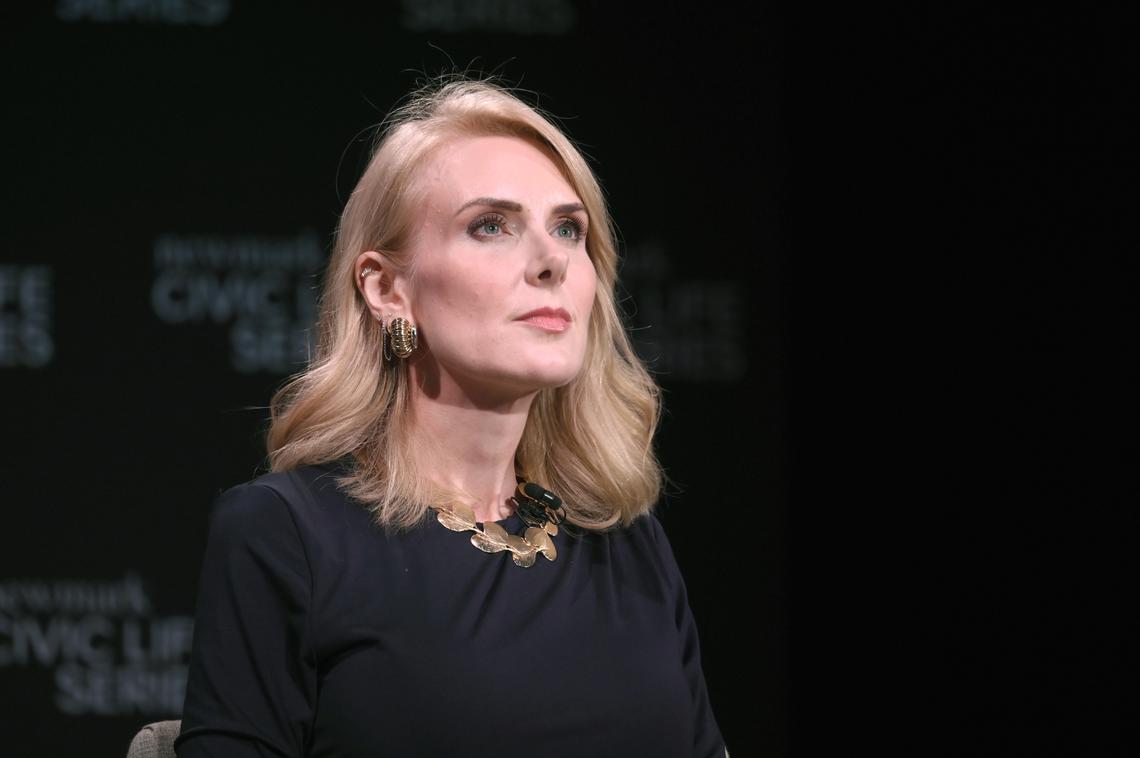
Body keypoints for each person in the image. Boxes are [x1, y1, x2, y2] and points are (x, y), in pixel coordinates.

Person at [174, 75, 729, 758]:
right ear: (387, 288)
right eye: (491, 226)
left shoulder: (629, 545)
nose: (551, 261)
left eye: (568, 229)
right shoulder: (287, 535)